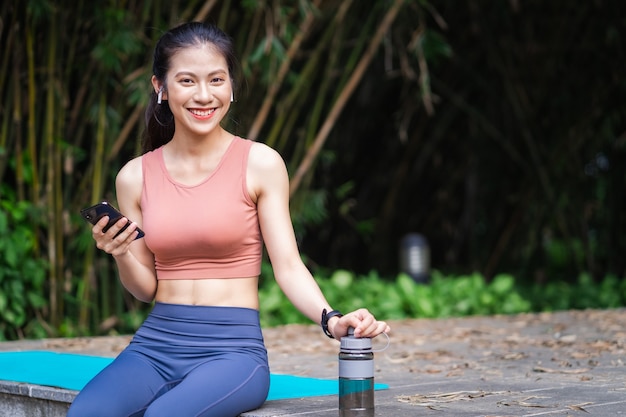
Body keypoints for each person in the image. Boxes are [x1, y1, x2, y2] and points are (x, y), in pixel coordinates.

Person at [67, 21, 390, 417]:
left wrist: (332, 320)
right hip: (155, 346)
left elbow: (288, 266)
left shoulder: (260, 164)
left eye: (216, 79)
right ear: (160, 87)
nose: (204, 95)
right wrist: (120, 254)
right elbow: (146, 288)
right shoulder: (134, 176)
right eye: (187, 80)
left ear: (231, 87)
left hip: (233, 352)